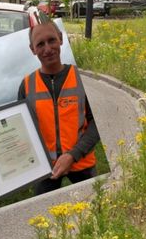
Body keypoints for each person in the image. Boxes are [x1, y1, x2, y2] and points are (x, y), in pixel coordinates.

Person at [19, 19, 100, 195]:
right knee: (42, 218)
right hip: (45, 170)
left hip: (82, 163)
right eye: (40, 44)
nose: (47, 49)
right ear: (32, 49)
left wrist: (73, 155)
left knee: (97, 212)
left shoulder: (81, 78)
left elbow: (97, 123)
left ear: (61, 39)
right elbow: (21, 130)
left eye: (51, 40)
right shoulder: (26, 85)